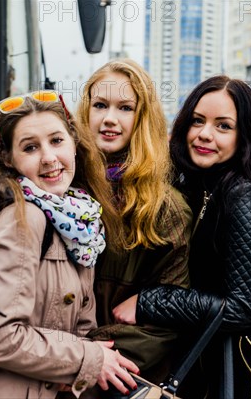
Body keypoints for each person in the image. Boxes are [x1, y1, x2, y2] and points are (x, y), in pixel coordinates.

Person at [0, 92, 139, 398]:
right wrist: (87, 359)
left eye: (56, 141)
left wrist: (79, 366)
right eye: (30, 147)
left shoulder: (79, 222)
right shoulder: (24, 220)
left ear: (74, 143)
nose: (49, 157)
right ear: (8, 158)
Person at [113, 76, 251, 398]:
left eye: (223, 126)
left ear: (245, 136)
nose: (204, 134)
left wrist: (148, 303)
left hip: (243, 370)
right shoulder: (195, 183)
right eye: (197, 121)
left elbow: (241, 308)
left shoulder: (245, 194)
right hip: (204, 361)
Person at [76, 59, 192, 385]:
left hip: (115, 379)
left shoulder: (165, 210)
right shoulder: (59, 186)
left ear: (142, 119)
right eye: (100, 105)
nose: (110, 118)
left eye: (125, 108)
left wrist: (91, 357)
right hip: (51, 367)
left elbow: (165, 322)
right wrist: (64, 356)